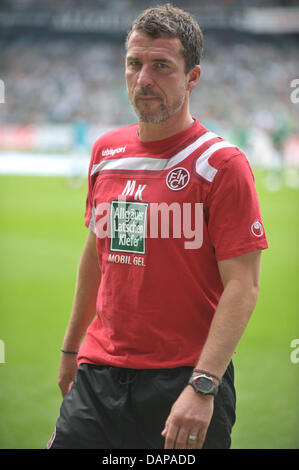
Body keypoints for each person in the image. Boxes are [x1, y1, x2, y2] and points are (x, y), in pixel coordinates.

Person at [47, 3, 268, 450]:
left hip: (184, 379)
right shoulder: (106, 152)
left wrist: (203, 385)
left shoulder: (221, 164)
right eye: (134, 64)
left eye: (161, 66)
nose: (143, 78)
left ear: (193, 77)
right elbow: (96, 256)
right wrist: (72, 350)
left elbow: (242, 286)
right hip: (99, 374)